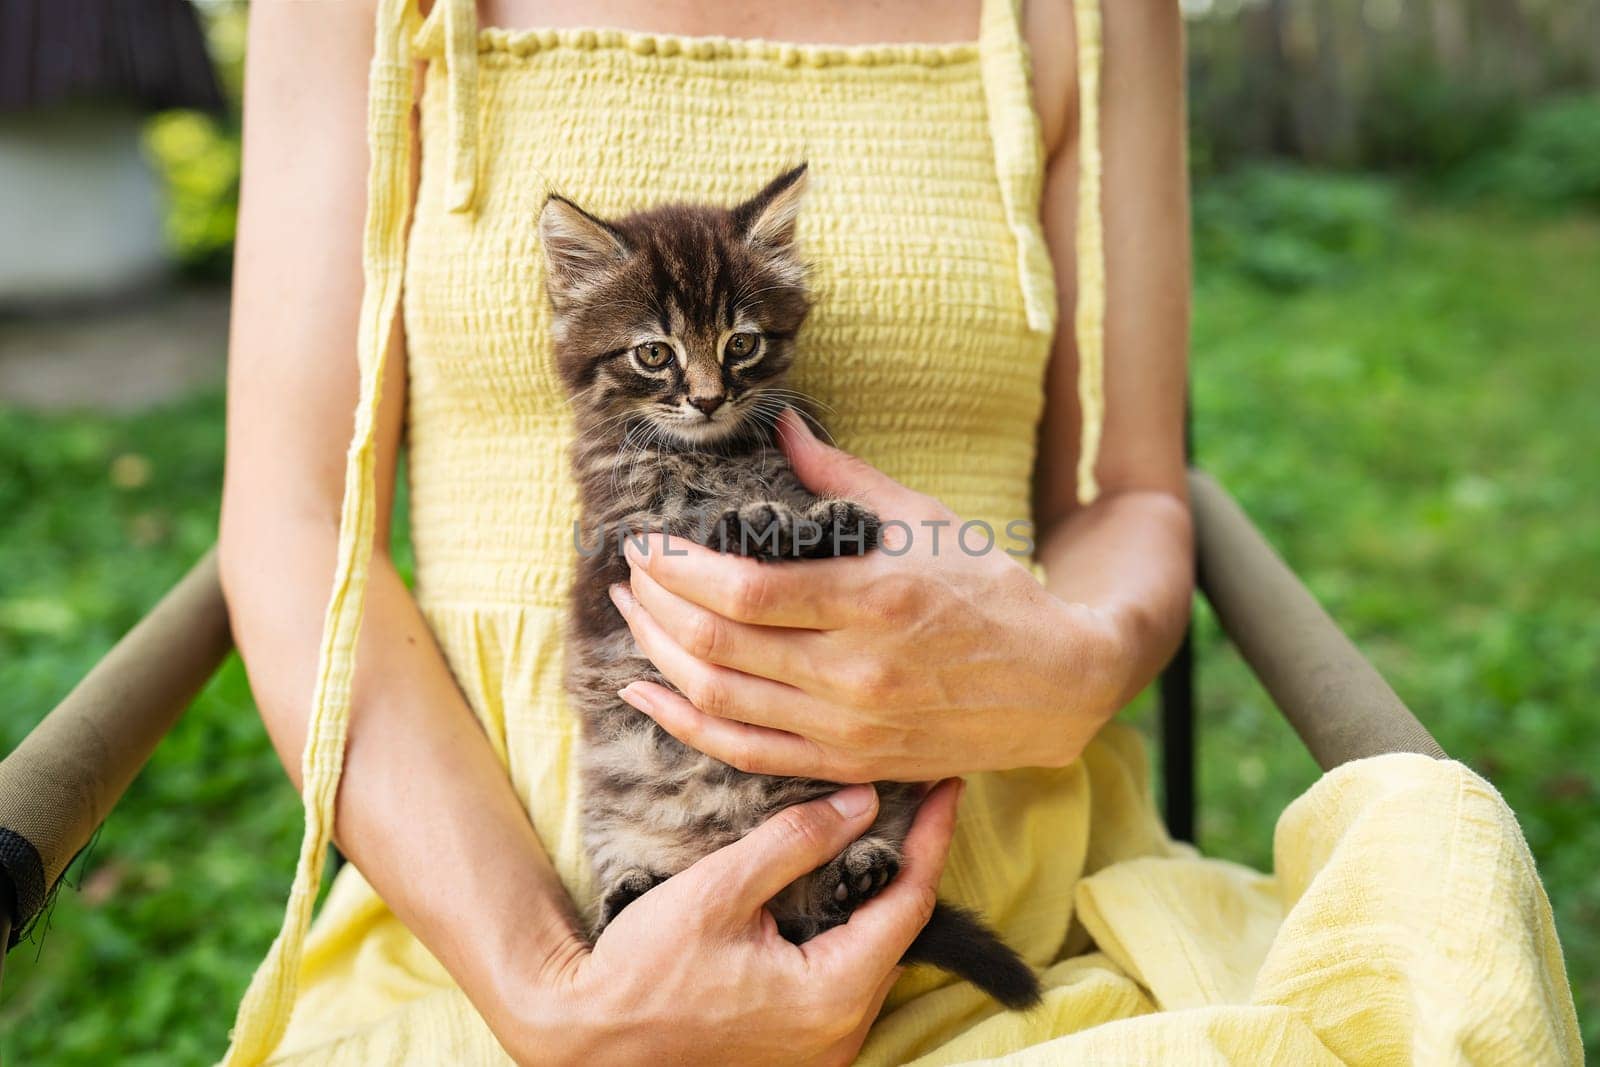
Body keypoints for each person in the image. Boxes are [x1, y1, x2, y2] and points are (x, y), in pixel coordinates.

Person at [217, 1, 1579, 1064]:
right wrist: (552, 990)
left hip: (1005, 869)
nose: (699, 388)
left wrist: (1074, 662)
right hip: (504, 914)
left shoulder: (1091, 15)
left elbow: (1130, 493)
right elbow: (295, 524)